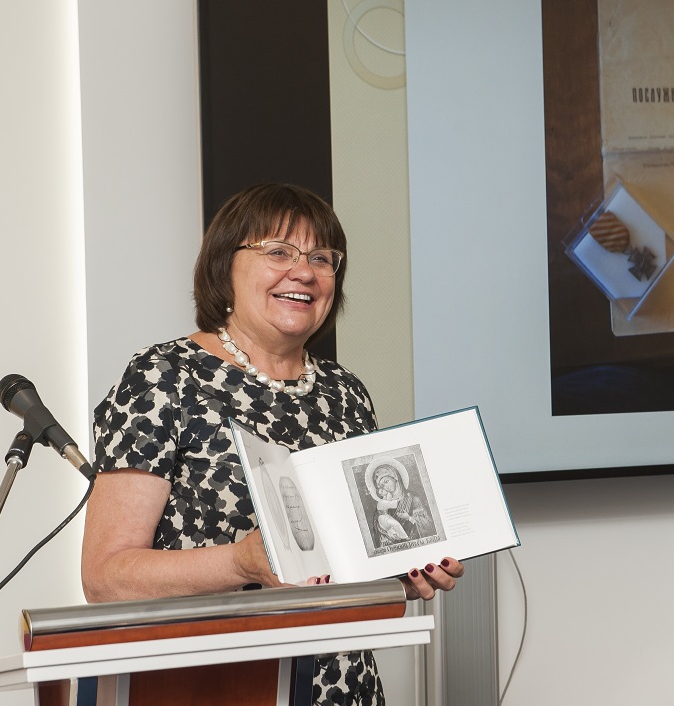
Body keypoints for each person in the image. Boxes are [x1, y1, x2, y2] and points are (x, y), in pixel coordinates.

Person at [81, 183, 464, 706]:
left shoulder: (346, 393)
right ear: (225, 267)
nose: (304, 272)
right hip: (217, 687)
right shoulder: (164, 377)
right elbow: (105, 578)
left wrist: (403, 570)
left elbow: (349, 575)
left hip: (344, 687)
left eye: (322, 258)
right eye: (279, 252)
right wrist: (241, 563)